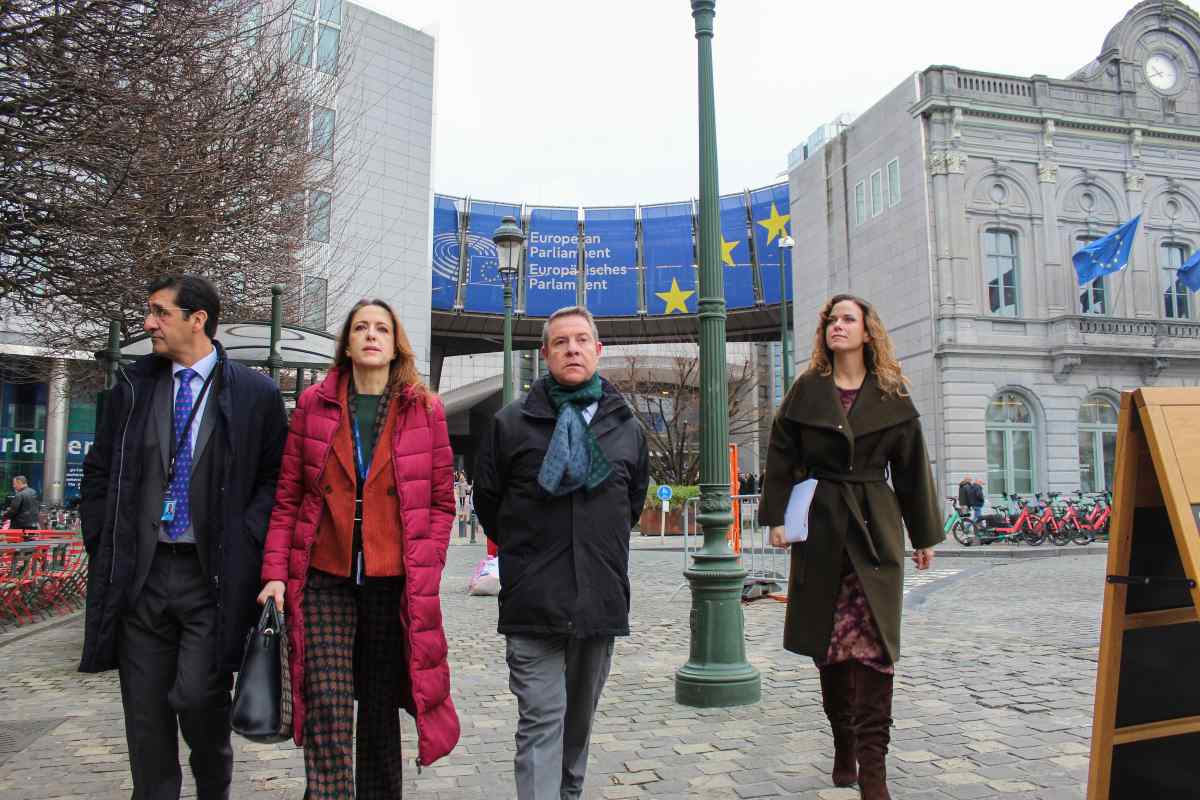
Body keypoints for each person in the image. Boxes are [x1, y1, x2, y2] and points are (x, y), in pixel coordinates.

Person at [79, 274, 288, 800]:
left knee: (199, 700)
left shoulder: (254, 394)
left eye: (159, 312)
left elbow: (275, 479)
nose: (148, 323)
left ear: (198, 319)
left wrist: (247, 536)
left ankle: (212, 786)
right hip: (142, 578)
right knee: (145, 721)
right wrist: (105, 539)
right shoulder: (131, 388)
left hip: (210, 578)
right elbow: (100, 473)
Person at [259, 298, 460, 798]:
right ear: (347, 343)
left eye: (382, 329)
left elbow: (440, 502)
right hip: (325, 575)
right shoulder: (314, 403)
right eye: (361, 328)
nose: (371, 336)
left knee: (377, 703)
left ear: (396, 346)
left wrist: (427, 564)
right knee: (326, 698)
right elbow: (289, 496)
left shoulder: (424, 409)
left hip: (392, 580)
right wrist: (275, 574)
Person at [760, 294, 943, 800]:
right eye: (831, 320)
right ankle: (844, 742)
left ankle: (875, 772)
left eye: (847, 319)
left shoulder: (891, 392)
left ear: (867, 331)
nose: (837, 326)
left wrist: (923, 533)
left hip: (875, 528)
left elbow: (910, 468)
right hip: (820, 529)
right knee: (832, 648)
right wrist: (775, 518)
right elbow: (781, 456)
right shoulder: (805, 392)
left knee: (875, 648)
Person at [473, 305, 649, 800]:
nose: (572, 348)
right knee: (540, 723)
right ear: (545, 353)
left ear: (598, 350)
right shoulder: (512, 425)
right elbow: (490, 504)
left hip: (599, 601)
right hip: (534, 602)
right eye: (561, 342)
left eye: (581, 340)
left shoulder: (626, 427)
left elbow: (630, 504)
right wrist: (527, 561)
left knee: (577, 724)